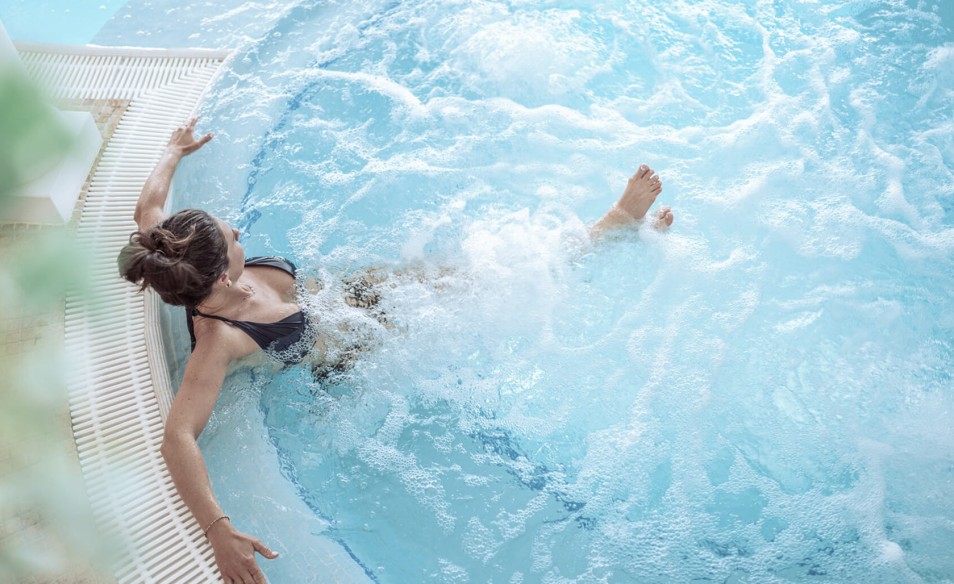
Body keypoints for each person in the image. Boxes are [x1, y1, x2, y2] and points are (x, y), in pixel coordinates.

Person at [117, 117, 673, 583]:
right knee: (488, 292)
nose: (239, 232)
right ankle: (614, 230)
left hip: (352, 291)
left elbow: (147, 208)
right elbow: (177, 438)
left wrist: (171, 150)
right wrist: (220, 531)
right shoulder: (219, 341)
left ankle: (610, 237)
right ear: (217, 281)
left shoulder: (173, 251)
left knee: (471, 272)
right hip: (355, 348)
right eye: (234, 239)